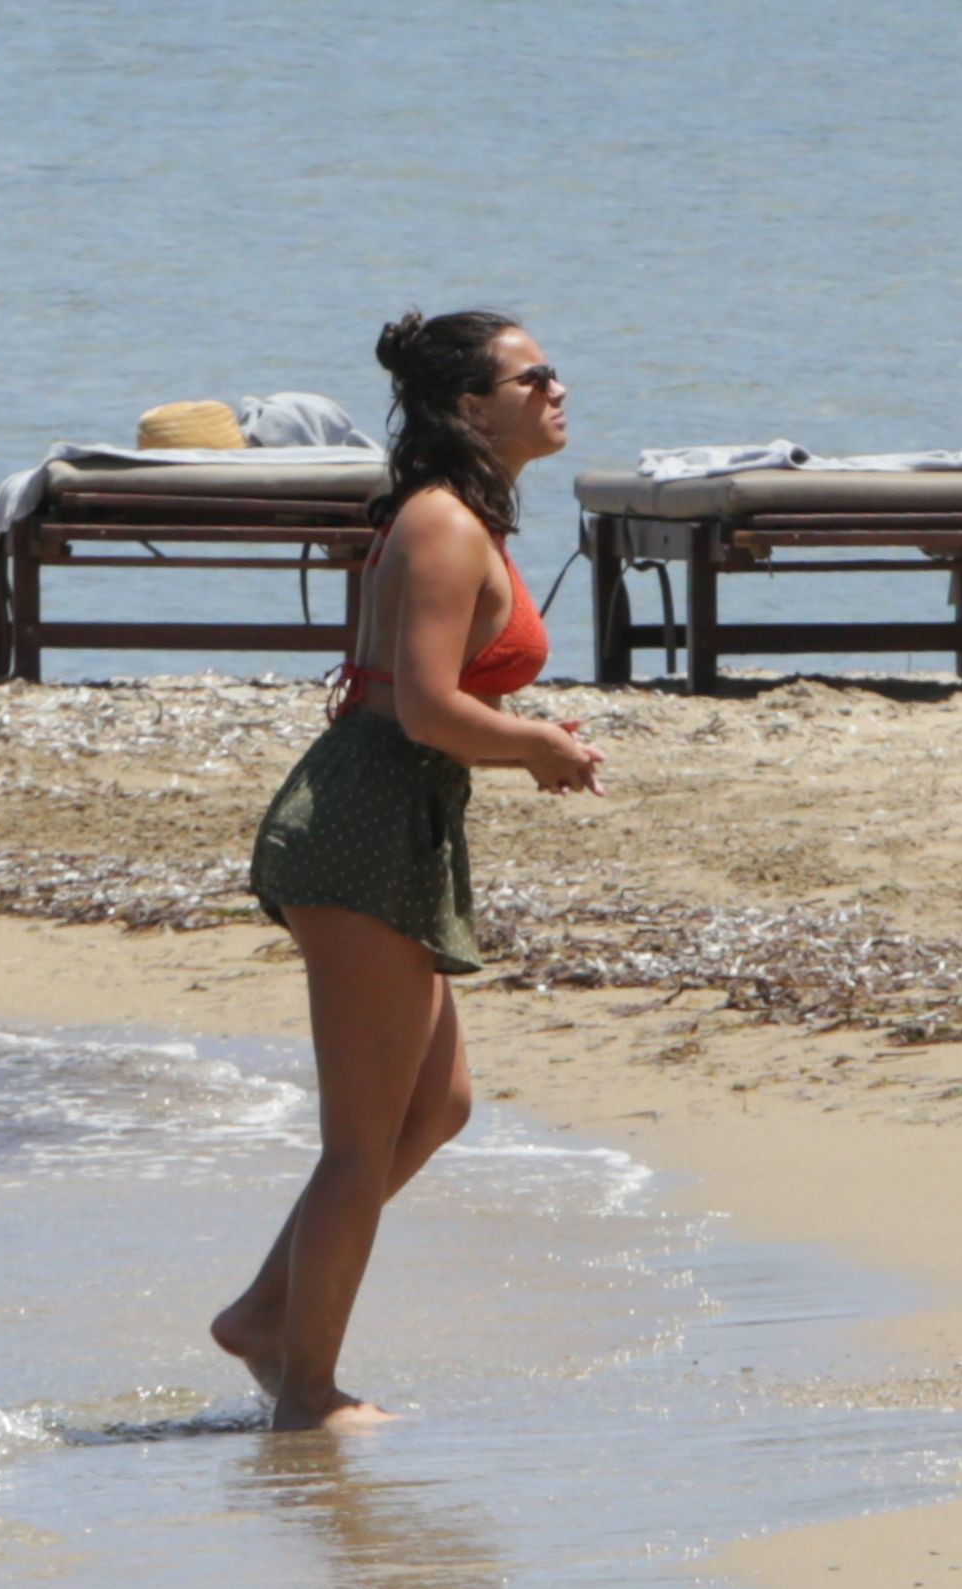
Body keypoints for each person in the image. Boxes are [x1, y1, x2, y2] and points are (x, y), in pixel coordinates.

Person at [210, 308, 605, 1432]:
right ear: (471, 407)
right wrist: (532, 743)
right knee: (360, 1142)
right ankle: (305, 1393)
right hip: (361, 823)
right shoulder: (441, 522)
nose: (556, 388)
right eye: (533, 377)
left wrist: (521, 739)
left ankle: (263, 1315)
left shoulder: (462, 514)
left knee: (437, 1104)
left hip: (400, 813)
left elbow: (430, 706)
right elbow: (428, 710)